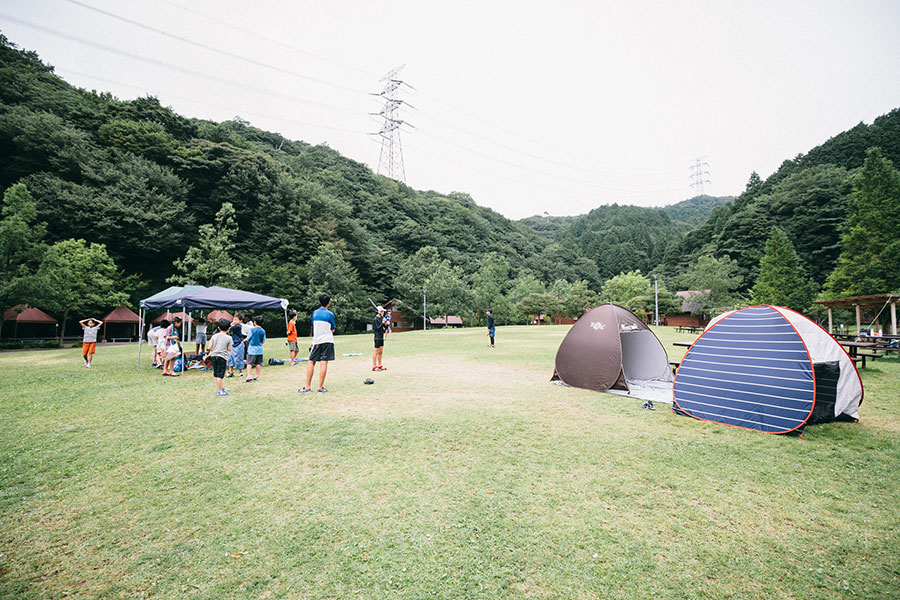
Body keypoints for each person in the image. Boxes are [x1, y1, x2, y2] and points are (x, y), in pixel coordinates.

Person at [300, 293, 335, 394]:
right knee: (324, 363)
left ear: (319, 302)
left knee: (311, 362)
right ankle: (320, 388)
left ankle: (307, 387)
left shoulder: (315, 313)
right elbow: (332, 329)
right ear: (329, 303)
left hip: (317, 341)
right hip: (328, 341)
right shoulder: (330, 314)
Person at [204, 318, 233, 396]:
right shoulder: (229, 338)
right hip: (222, 357)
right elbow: (229, 349)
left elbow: (210, 347)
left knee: (216, 374)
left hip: (214, 356)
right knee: (220, 375)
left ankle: (219, 387)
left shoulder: (214, 336)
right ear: (229, 328)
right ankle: (220, 391)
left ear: (218, 328)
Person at [245, 315, 266, 382]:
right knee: (258, 363)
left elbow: (248, 339)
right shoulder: (263, 331)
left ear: (254, 322)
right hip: (259, 349)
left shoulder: (252, 330)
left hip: (251, 349)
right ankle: (257, 376)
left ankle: (249, 376)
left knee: (249, 363)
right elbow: (263, 340)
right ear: (262, 323)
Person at [226, 314, 246, 378]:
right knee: (230, 358)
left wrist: (232, 323)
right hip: (234, 344)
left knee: (239, 358)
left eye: (236, 320)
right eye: (233, 319)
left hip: (239, 344)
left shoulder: (238, 326)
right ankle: (230, 372)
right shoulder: (235, 326)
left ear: (240, 321)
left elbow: (229, 329)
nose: (234, 321)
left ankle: (240, 372)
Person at [372, 305, 388, 371]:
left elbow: (385, 328)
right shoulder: (375, 319)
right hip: (377, 337)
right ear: (378, 312)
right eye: (382, 311)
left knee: (381, 352)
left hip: (381, 336)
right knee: (376, 352)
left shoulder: (381, 319)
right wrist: (382, 323)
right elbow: (377, 328)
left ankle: (380, 365)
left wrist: (386, 324)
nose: (383, 312)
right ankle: (374, 366)